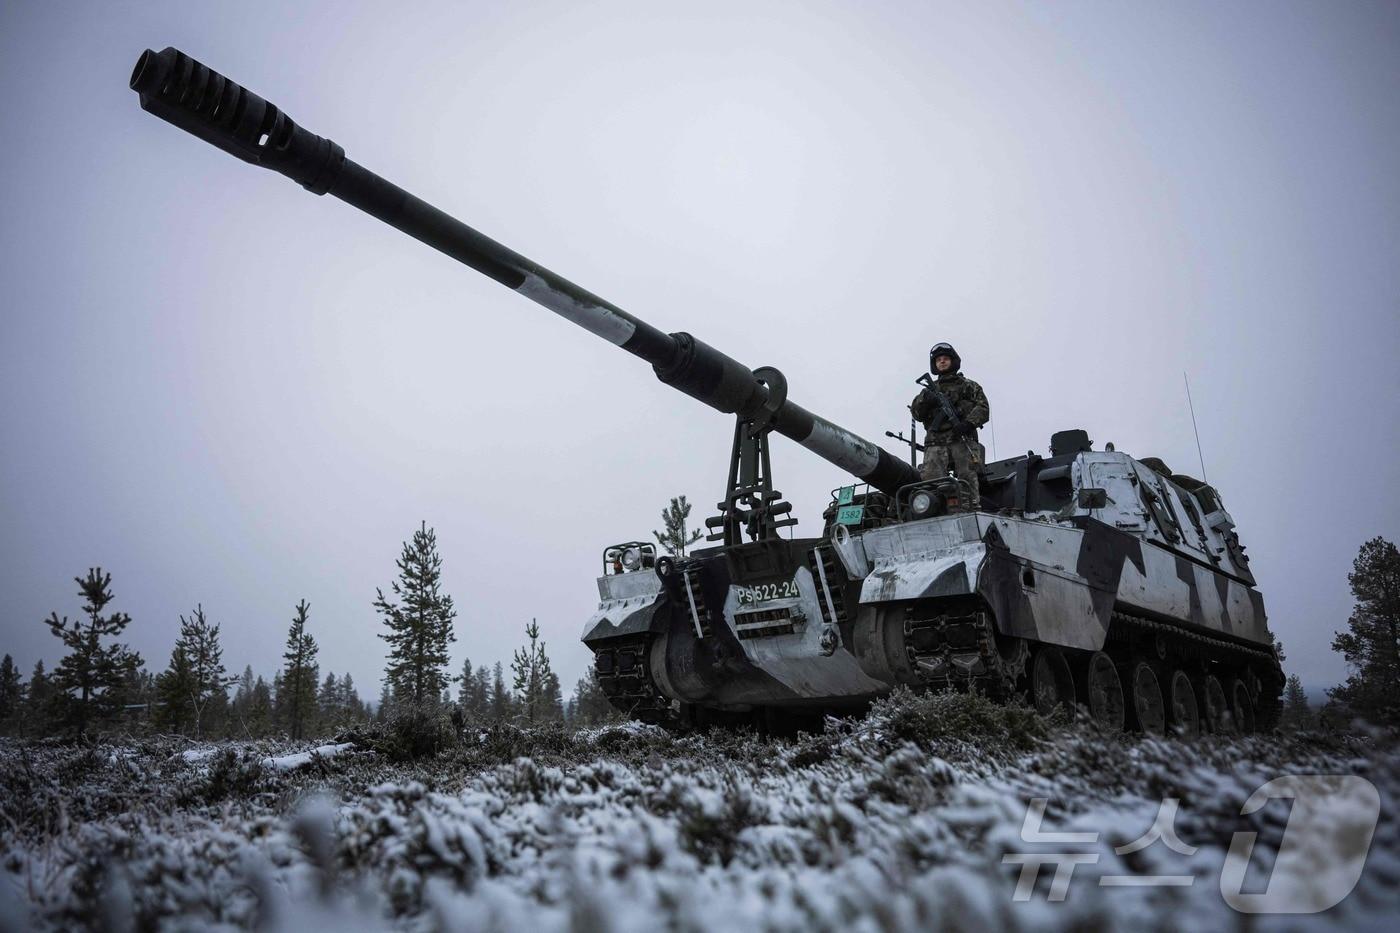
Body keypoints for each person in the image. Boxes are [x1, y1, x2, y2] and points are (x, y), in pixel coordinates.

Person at [910, 342, 990, 511]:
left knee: (967, 476)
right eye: (938, 359)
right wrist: (926, 401)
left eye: (946, 358)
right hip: (935, 441)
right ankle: (933, 509)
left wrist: (968, 423)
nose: (942, 362)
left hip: (962, 438)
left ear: (953, 361)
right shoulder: (928, 391)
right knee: (931, 480)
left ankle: (970, 510)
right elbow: (916, 414)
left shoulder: (968, 385)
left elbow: (983, 408)